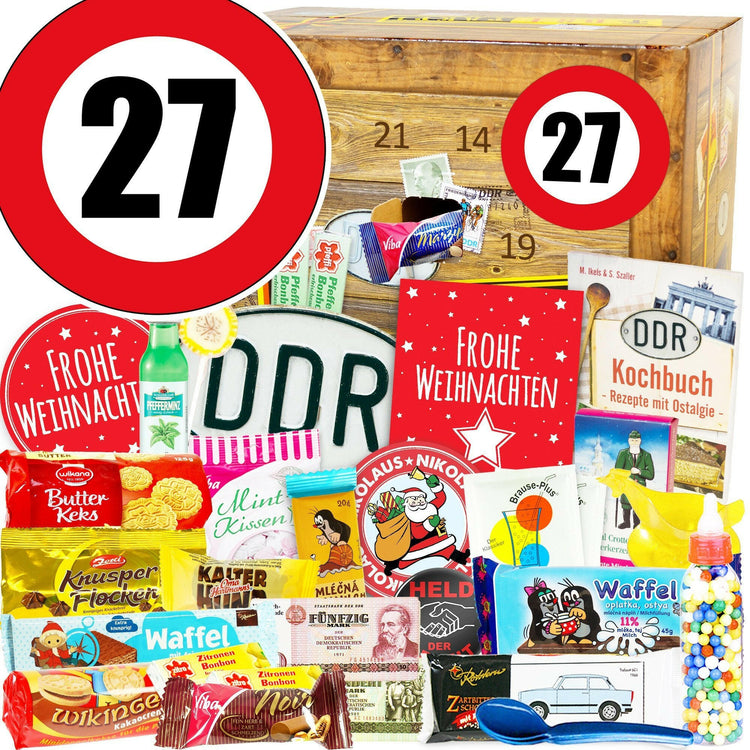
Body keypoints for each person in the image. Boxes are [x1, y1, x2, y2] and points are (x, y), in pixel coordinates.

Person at [614, 430, 655, 529]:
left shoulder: (646, 455)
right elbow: (617, 471)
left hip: (640, 486)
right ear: (629, 441)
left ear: (640, 441)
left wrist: (639, 471)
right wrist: (627, 473)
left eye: (636, 440)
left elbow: (651, 475)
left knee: (638, 505)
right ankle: (626, 522)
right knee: (626, 503)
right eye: (632, 440)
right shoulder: (623, 453)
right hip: (627, 485)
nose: (634, 443)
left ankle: (637, 524)